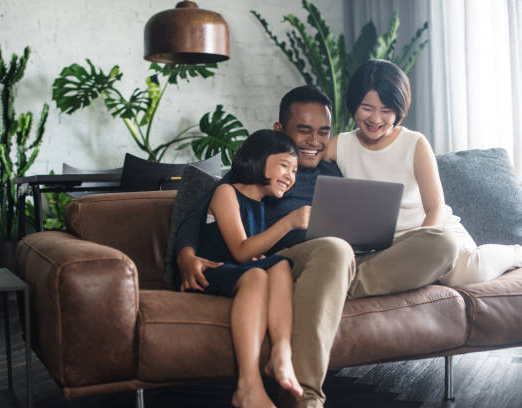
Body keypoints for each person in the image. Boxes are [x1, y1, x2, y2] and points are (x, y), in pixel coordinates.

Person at [176, 85, 459, 408]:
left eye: (323, 132)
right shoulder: (265, 169)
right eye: (304, 131)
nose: (314, 142)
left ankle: (327, 288)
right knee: (334, 250)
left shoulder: (333, 167)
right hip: (289, 263)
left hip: (346, 262)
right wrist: (186, 254)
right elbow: (199, 211)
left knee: (441, 243)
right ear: (280, 131)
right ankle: (305, 397)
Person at [325, 58, 522, 287]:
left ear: (398, 110)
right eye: (367, 108)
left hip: (433, 232)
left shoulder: (414, 143)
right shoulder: (341, 145)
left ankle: (516, 253)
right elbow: (300, 161)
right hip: (384, 246)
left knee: (460, 275)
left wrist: (420, 247)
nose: (376, 119)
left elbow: (436, 208)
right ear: (353, 104)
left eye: (386, 110)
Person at [188, 129, 307, 408]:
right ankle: (248, 387)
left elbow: (250, 251)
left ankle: (281, 352)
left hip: (235, 272)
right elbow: (241, 250)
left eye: (295, 170)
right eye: (284, 165)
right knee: (256, 274)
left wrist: (262, 256)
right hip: (212, 271)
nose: (290, 176)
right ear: (259, 159)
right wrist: (289, 222)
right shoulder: (225, 192)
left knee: (280, 266)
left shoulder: (259, 205)